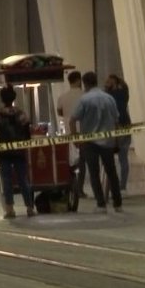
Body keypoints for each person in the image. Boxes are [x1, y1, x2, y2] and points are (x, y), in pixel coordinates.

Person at [71, 71, 122, 213]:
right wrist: (116, 140)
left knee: (94, 173)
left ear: (85, 84)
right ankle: (118, 203)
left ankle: (101, 204)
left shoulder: (84, 100)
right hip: (108, 141)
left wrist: (75, 138)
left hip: (90, 142)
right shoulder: (109, 98)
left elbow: (72, 120)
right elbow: (116, 121)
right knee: (111, 172)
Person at [0, 86, 35, 218]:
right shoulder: (21, 114)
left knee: (6, 180)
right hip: (19, 150)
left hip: (4, 150)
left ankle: (10, 209)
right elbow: (27, 132)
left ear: (2, 99)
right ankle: (29, 207)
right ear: (14, 98)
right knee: (23, 179)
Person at [56, 70, 88, 199]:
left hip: (69, 133)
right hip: (84, 132)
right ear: (79, 81)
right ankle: (79, 189)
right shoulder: (85, 95)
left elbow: (60, 112)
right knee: (82, 161)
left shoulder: (62, 97)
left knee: (70, 161)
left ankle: (70, 186)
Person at [104, 74, 132, 192]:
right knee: (123, 158)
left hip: (115, 127)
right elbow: (125, 87)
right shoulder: (123, 93)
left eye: (108, 81)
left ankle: (112, 184)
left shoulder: (109, 95)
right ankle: (123, 184)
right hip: (126, 125)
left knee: (109, 158)